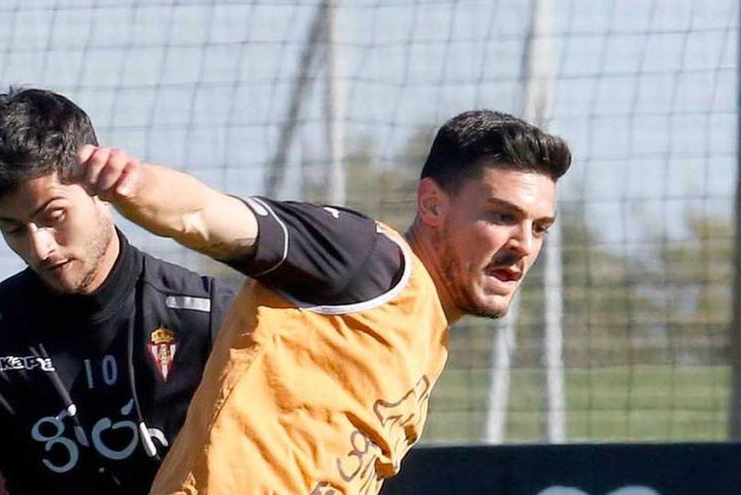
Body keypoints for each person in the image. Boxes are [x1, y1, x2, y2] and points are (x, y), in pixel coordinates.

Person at [72, 110, 571, 494]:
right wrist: (130, 183)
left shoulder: (426, 331)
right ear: (433, 204)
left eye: (540, 228)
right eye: (503, 216)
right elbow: (209, 214)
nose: (525, 243)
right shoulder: (367, 259)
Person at [0, 88, 236, 495]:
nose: (40, 248)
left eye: (53, 216)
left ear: (97, 187)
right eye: (13, 229)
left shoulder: (206, 316)